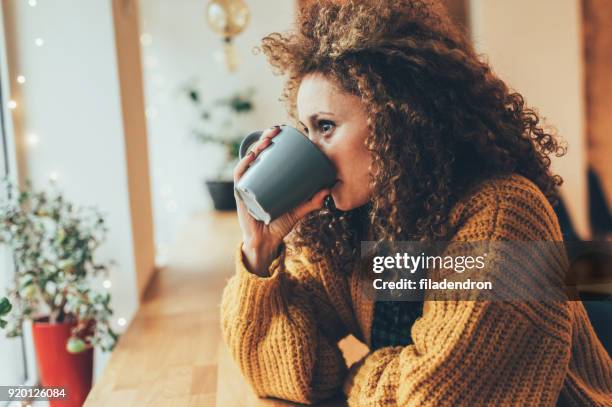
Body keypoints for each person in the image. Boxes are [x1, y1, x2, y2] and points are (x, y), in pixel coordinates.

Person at [220, 0, 612, 405]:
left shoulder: (503, 213)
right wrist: (258, 251)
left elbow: (434, 397)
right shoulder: (359, 222)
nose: (312, 151)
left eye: (326, 127)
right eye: (307, 129)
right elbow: (291, 372)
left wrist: (358, 375)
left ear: (397, 118)